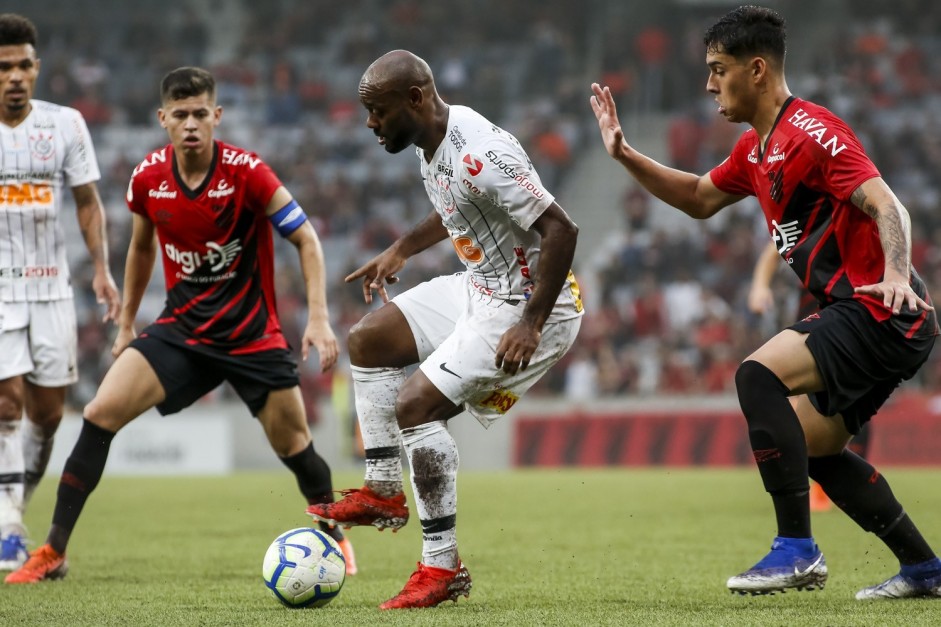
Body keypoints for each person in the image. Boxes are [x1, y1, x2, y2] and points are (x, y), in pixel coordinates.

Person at [591, 5, 941, 600]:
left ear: (756, 70)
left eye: (717, 69)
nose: (708, 84)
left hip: (881, 306)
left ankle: (797, 551)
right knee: (815, 445)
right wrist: (625, 155)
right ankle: (925, 569)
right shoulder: (756, 150)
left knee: (757, 375)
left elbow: (885, 204)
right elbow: (700, 197)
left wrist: (898, 275)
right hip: (866, 313)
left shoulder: (813, 131)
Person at [4, 66, 355, 583]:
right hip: (183, 331)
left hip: (251, 336)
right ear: (163, 118)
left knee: (295, 448)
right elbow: (142, 247)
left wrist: (320, 320)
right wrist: (126, 326)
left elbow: (306, 239)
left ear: (216, 116)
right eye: (180, 115)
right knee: (99, 412)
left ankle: (333, 535)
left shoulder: (248, 172)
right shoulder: (149, 178)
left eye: (200, 114)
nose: (191, 124)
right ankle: (53, 550)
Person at [306, 50, 584, 610]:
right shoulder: (431, 141)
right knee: (369, 340)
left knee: (415, 406)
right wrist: (401, 249)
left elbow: (561, 228)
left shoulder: (481, 152)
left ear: (415, 99)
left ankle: (441, 568)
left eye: (376, 111)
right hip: (480, 286)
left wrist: (529, 322)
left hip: (530, 308)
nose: (369, 123)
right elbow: (456, 206)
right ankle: (384, 490)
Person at [0, 13, 121, 570]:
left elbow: (88, 202)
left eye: (24, 65)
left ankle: (12, 507)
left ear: (37, 67)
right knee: (6, 403)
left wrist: (100, 269)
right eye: (4, 68)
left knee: (47, 415)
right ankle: (7, 526)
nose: (15, 77)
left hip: (51, 291)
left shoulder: (66, 125)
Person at [748, 241, 873, 513]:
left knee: (851, 401)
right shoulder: (810, 220)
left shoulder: (857, 222)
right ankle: (805, 487)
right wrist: (759, 287)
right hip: (812, 320)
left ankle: (825, 484)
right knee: (793, 398)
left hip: (852, 322)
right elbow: (773, 250)